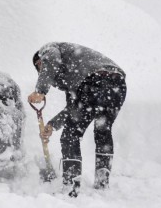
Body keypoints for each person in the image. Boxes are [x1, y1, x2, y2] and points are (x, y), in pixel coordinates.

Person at [27, 42, 127, 197]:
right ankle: (102, 182)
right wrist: (52, 125)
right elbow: (73, 109)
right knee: (102, 130)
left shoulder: (48, 50)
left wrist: (40, 90)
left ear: (40, 62)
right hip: (117, 85)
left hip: (94, 82)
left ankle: (71, 184)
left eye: (41, 68)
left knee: (70, 136)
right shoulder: (74, 75)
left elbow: (51, 59)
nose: (44, 72)